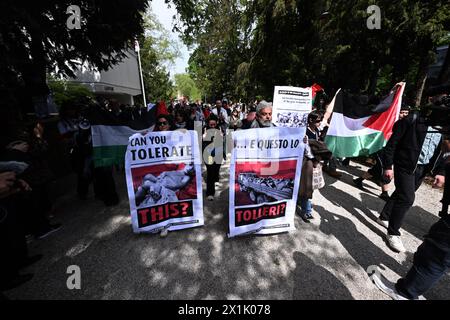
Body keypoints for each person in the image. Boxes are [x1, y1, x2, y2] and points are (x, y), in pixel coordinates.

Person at [377, 109, 444, 253]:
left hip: (422, 169)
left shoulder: (444, 127)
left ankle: (384, 216)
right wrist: (388, 166)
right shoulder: (414, 118)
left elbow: (443, 151)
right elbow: (392, 143)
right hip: (404, 165)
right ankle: (393, 233)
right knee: (407, 198)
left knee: (401, 194)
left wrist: (440, 172)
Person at [353, 104, 411, 200]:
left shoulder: (406, 125)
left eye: (406, 113)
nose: (404, 115)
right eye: (402, 112)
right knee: (385, 170)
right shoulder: (391, 121)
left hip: (392, 152)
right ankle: (384, 193)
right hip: (382, 148)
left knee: (377, 169)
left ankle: (359, 180)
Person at [202, 115, 223, 201]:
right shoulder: (204, 129)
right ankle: (210, 193)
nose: (213, 126)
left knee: (216, 168)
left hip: (218, 153)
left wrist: (222, 136)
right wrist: (203, 137)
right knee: (210, 171)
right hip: (208, 154)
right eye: (211, 125)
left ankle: (216, 178)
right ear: (208, 124)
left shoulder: (219, 128)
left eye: (214, 124)